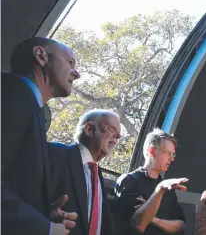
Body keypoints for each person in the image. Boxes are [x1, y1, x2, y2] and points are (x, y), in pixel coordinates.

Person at [2, 37, 81, 234]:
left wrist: (43, 213)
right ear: (41, 56)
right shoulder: (12, 95)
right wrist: (43, 228)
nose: (76, 73)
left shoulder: (30, 107)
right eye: (70, 62)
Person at [49, 109, 121, 235]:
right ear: (89, 129)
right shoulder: (55, 154)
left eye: (119, 134)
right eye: (111, 129)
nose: (117, 136)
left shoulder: (96, 173)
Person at [115, 128, 188, 234]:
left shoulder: (168, 187)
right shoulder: (128, 181)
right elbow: (139, 225)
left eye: (173, 154)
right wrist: (160, 190)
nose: (172, 159)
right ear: (152, 151)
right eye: (168, 153)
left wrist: (153, 219)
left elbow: (181, 227)